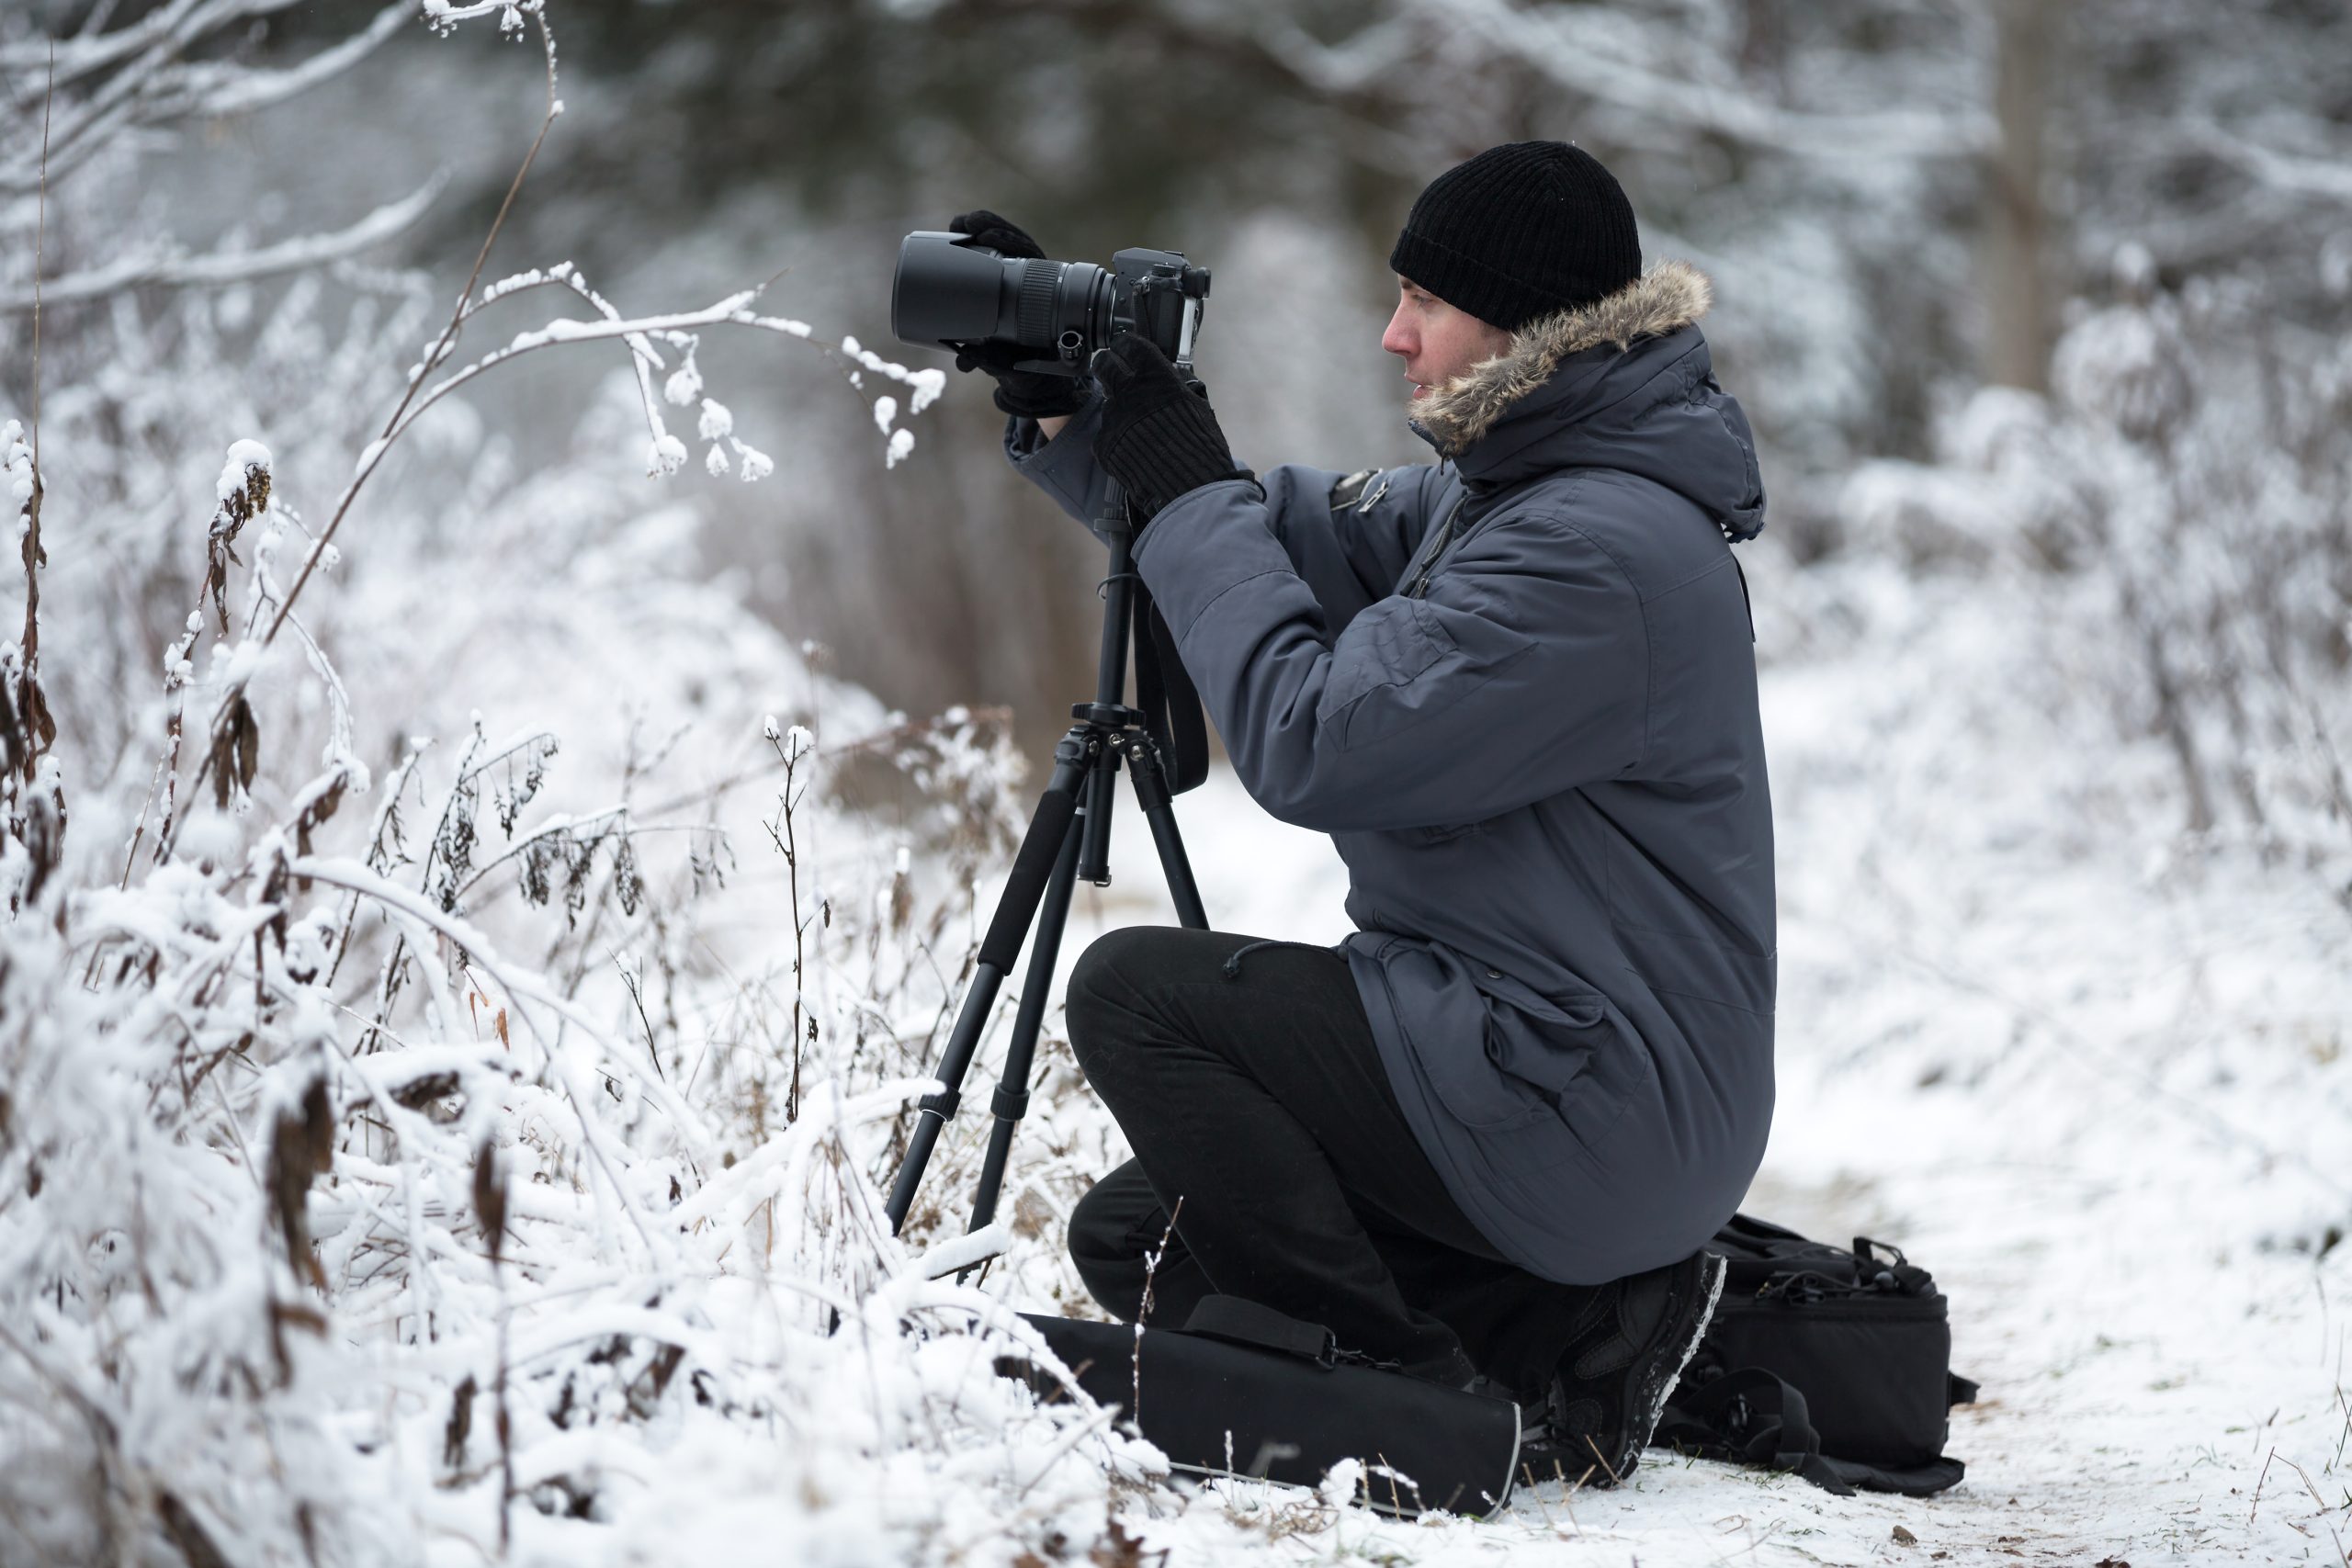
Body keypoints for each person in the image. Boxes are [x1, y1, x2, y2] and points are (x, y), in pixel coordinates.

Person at [958, 140, 1774, 1484]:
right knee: (1140, 1242)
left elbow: (1315, 740)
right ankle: (1578, 1332)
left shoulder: (1591, 555)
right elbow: (1268, 533)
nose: (1394, 336)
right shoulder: (1506, 497)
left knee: (1134, 992)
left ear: (1523, 326)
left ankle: (1414, 1405)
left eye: (1425, 303)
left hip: (1583, 1090)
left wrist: (1189, 487)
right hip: (1553, 1066)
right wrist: (1075, 412)